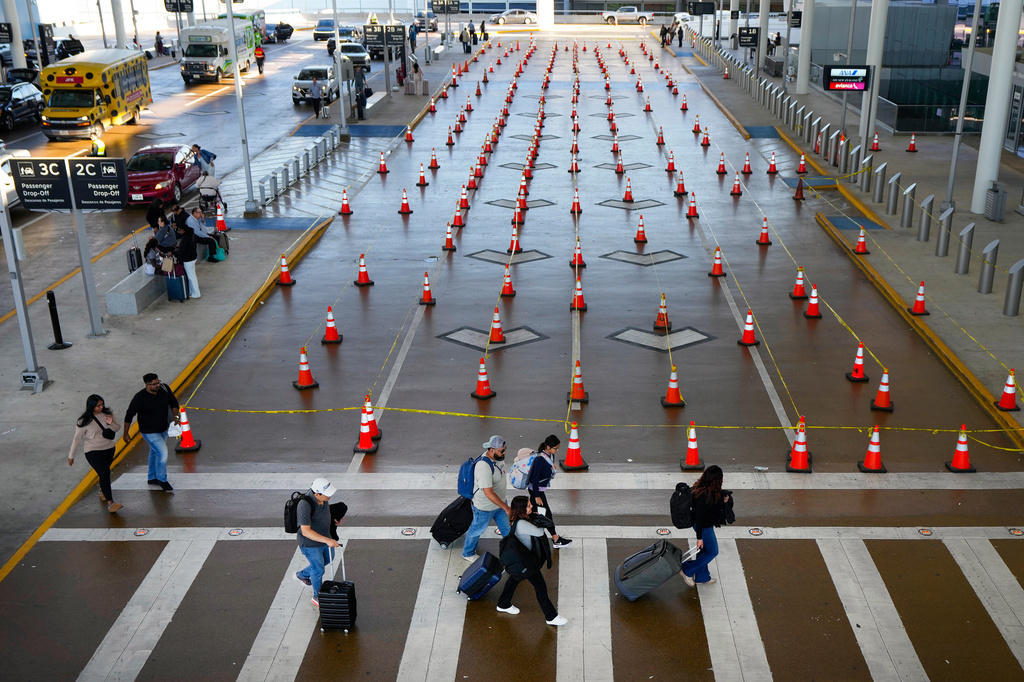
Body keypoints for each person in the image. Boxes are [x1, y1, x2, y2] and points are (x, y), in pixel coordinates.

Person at [495, 495, 567, 625]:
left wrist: (532, 516)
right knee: (540, 588)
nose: (531, 506)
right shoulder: (522, 523)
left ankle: (503, 603)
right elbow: (539, 532)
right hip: (527, 562)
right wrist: (539, 516)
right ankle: (551, 617)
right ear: (522, 509)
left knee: (514, 579)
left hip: (522, 560)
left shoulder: (517, 519)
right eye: (529, 506)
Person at [123, 374, 180, 492]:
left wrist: (176, 416)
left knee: (155, 452)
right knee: (163, 453)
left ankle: (152, 477)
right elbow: (129, 415)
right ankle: (162, 480)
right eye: (154, 384)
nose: (158, 385)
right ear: (147, 385)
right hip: (149, 431)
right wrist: (125, 433)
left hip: (163, 428)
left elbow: (174, 403)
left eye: (158, 382)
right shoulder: (140, 397)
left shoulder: (164, 389)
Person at [680, 465, 734, 587]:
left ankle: (702, 577)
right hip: (704, 528)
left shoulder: (707, 490)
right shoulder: (704, 497)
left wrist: (723, 501)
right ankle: (687, 570)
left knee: (704, 551)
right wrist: (699, 538)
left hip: (705, 527)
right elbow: (699, 518)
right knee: (713, 551)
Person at [68, 394, 123, 513]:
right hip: (92, 450)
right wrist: (71, 455)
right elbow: (77, 439)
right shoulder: (83, 421)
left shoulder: (108, 414)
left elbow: (117, 428)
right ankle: (111, 503)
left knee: (103, 472)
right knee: (105, 473)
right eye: (98, 405)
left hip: (108, 448)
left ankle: (102, 490)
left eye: (102, 404)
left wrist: (110, 423)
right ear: (91, 406)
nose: (101, 407)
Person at [462, 435, 511, 562]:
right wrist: (506, 507)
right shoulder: (483, 466)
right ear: (491, 450)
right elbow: (488, 493)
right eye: (501, 450)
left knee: (507, 529)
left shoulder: (498, 458)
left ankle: (512, 551)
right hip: (484, 507)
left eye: (505, 449)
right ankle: (468, 552)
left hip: (499, 504)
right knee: (477, 530)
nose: (504, 452)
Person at [294, 477, 342, 608]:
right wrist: (327, 540)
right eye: (327, 494)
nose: (330, 497)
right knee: (318, 569)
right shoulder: (304, 505)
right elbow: (306, 531)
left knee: (328, 559)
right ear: (317, 494)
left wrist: (334, 521)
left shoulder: (323, 499)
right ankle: (317, 596)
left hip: (325, 537)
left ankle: (302, 575)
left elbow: (324, 514)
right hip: (310, 543)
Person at [526, 436, 572, 548]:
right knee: (546, 515)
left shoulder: (550, 455)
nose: (557, 450)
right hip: (536, 491)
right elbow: (535, 478)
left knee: (535, 514)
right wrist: (537, 496)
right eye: (555, 448)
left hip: (539, 491)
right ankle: (556, 539)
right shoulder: (540, 459)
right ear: (548, 447)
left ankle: (532, 535)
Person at [174, 222, 203, 297]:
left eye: (179, 230)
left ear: (183, 230)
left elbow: (182, 252)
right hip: (193, 258)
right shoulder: (190, 236)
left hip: (188, 260)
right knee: (192, 276)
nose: (179, 232)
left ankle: (196, 294)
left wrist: (174, 252)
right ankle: (192, 292)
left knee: (191, 277)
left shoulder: (185, 239)